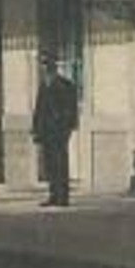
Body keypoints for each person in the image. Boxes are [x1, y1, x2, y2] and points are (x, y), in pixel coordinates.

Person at [32, 52, 79, 207]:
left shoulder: (66, 84)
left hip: (59, 131)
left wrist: (68, 126)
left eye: (48, 65)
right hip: (46, 131)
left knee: (61, 163)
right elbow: (38, 109)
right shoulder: (43, 85)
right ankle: (53, 194)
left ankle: (63, 196)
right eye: (43, 65)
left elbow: (71, 109)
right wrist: (36, 129)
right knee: (50, 164)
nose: (45, 68)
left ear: (54, 67)